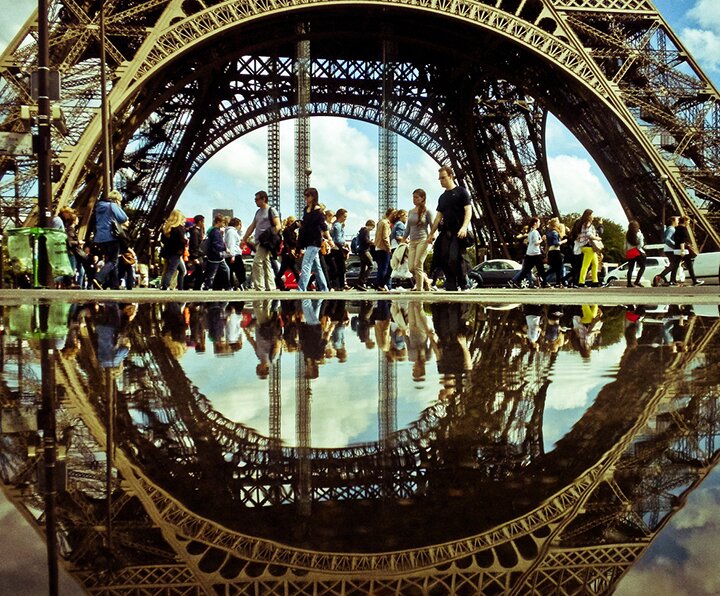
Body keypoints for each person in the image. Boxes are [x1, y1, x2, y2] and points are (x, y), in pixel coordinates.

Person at [427, 165, 473, 291]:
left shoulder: (461, 192)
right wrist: (431, 234)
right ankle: (451, 283)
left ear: (451, 176)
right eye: (439, 178)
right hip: (446, 231)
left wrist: (464, 227)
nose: (441, 181)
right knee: (443, 257)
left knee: (456, 257)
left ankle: (464, 284)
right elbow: (437, 218)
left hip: (458, 231)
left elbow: (468, 211)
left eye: (443, 178)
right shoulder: (442, 197)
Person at [243, 190, 281, 291]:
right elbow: (253, 225)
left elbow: (278, 226)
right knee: (265, 263)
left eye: (257, 199)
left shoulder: (271, 210)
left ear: (264, 199)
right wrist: (245, 238)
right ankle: (271, 286)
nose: (255, 201)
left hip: (265, 242)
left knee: (257, 262)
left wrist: (269, 237)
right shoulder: (258, 212)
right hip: (258, 241)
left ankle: (259, 286)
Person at [93, 189, 129, 289]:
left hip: (100, 238)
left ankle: (114, 284)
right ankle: (98, 277)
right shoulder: (112, 206)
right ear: (117, 200)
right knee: (113, 261)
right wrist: (118, 208)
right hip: (111, 236)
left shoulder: (99, 207)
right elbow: (123, 218)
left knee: (110, 261)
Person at [297, 187, 331, 291]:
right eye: (305, 195)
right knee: (317, 267)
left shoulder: (318, 211)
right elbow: (306, 224)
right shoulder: (306, 210)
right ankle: (324, 288)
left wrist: (329, 239)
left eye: (308, 195)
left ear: (313, 196)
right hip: (308, 240)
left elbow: (323, 226)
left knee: (306, 264)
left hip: (315, 241)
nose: (305, 197)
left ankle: (301, 288)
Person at [403, 189, 433, 291]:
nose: (414, 199)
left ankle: (419, 289)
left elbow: (433, 226)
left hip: (423, 240)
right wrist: (403, 239)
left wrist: (432, 236)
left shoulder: (427, 211)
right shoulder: (411, 211)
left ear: (422, 198)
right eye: (413, 197)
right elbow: (408, 228)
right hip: (412, 242)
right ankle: (426, 280)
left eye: (416, 197)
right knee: (411, 267)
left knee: (418, 264)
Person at [509, 217, 546, 288]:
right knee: (540, 268)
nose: (539, 224)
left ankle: (517, 281)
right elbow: (536, 243)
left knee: (526, 269)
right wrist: (542, 239)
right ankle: (544, 283)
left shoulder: (530, 232)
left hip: (529, 252)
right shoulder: (535, 232)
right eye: (538, 222)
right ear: (535, 223)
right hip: (535, 253)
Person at [159, 209, 188, 290]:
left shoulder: (167, 228)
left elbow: (163, 240)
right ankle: (166, 285)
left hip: (168, 252)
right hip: (176, 252)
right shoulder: (179, 228)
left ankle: (168, 285)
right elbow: (182, 241)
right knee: (172, 270)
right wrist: (186, 241)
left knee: (179, 270)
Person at [572, 209, 602, 287]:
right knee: (586, 265)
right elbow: (589, 235)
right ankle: (581, 282)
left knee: (595, 264)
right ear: (589, 216)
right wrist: (597, 238)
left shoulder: (583, 224)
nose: (593, 216)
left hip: (587, 247)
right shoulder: (587, 224)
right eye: (592, 215)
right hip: (589, 247)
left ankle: (595, 281)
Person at [672, 216, 704, 286]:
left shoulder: (676, 228)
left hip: (677, 249)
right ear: (685, 221)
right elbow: (682, 241)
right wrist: (683, 250)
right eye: (688, 221)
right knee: (689, 265)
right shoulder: (683, 229)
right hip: (683, 249)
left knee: (675, 265)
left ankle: (672, 280)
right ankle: (694, 280)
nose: (689, 223)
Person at [202, 214, 230, 290]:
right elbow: (216, 244)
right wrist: (225, 248)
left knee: (222, 271)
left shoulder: (212, 230)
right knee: (214, 273)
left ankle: (227, 286)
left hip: (215, 255)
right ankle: (207, 286)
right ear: (218, 222)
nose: (224, 224)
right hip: (216, 256)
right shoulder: (216, 232)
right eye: (223, 222)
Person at [275, 215, 301, 290]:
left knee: (283, 271)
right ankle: (301, 286)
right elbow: (291, 241)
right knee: (294, 271)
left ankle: (280, 284)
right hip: (287, 253)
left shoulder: (291, 231)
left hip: (289, 253)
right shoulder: (287, 231)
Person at [654, 215, 680, 286]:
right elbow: (667, 239)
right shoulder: (671, 229)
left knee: (673, 265)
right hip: (670, 249)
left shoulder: (670, 228)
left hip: (668, 249)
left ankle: (671, 280)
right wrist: (675, 245)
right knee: (674, 265)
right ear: (673, 221)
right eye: (677, 220)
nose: (678, 222)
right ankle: (662, 277)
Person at [329, 208, 349, 290]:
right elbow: (338, 238)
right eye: (344, 216)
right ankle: (340, 285)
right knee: (341, 268)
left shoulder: (336, 224)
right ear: (340, 216)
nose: (345, 218)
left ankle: (338, 285)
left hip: (335, 248)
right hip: (337, 248)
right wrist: (345, 243)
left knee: (337, 267)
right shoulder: (337, 225)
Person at [374, 208, 394, 291]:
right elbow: (385, 237)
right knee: (386, 268)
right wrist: (389, 248)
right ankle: (381, 284)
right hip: (384, 248)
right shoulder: (386, 223)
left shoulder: (380, 222)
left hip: (378, 247)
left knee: (381, 267)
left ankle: (379, 284)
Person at [224, 217, 246, 290]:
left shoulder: (230, 231)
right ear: (237, 224)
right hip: (234, 254)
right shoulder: (232, 232)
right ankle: (240, 284)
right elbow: (231, 244)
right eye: (240, 225)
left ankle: (233, 285)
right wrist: (232, 255)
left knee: (232, 271)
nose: (240, 226)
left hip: (231, 254)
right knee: (240, 271)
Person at [623, 220, 646, 287]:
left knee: (630, 268)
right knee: (642, 267)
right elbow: (641, 244)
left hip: (630, 252)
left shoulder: (627, 235)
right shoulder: (639, 234)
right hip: (637, 252)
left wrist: (625, 252)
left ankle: (629, 283)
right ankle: (637, 281)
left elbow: (625, 246)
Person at [544, 217, 565, 288]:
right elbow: (556, 243)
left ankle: (543, 275)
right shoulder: (555, 233)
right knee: (559, 268)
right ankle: (558, 283)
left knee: (554, 268)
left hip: (550, 251)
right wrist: (563, 242)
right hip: (556, 251)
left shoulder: (548, 233)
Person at [187, 214, 206, 290]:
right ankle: (194, 286)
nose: (204, 223)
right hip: (197, 255)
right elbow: (194, 245)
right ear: (199, 222)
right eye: (203, 221)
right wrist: (195, 257)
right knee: (200, 272)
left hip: (197, 254)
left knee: (198, 271)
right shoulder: (195, 232)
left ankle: (188, 282)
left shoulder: (195, 231)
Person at [356, 220, 375, 290]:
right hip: (365, 250)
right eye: (373, 227)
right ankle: (362, 281)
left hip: (360, 250)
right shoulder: (366, 230)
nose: (372, 229)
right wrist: (373, 243)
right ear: (371, 225)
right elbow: (366, 240)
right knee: (371, 265)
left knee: (363, 268)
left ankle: (359, 284)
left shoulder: (361, 231)